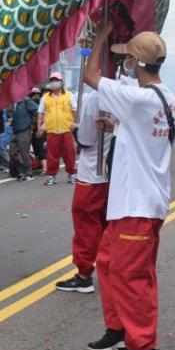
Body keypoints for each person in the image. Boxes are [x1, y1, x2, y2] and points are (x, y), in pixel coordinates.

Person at [83, 25, 175, 350]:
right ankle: (118, 328)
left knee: (132, 275)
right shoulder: (165, 97)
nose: (124, 64)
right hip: (133, 204)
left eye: (127, 59)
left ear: (137, 62)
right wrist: (118, 129)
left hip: (137, 204)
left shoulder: (139, 98)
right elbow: (143, 130)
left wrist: (101, 38)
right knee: (107, 263)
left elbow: (92, 75)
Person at [55, 87, 110, 294]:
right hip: (113, 172)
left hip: (92, 174)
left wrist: (77, 130)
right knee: (108, 225)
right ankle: (110, 268)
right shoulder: (127, 91)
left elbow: (86, 140)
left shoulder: (96, 97)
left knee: (87, 227)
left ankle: (84, 275)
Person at [38, 71, 77, 185]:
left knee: (69, 153)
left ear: (61, 82)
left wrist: (73, 124)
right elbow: (40, 113)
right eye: (52, 81)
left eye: (56, 80)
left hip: (66, 130)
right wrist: (39, 127)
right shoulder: (45, 97)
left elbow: (75, 110)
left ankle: (72, 174)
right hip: (52, 131)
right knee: (52, 155)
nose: (54, 83)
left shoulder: (69, 95)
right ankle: (51, 176)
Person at [9, 88, 39, 181]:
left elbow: (37, 111)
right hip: (15, 130)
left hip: (24, 130)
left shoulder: (26, 100)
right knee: (12, 152)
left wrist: (33, 124)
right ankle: (23, 171)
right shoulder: (12, 103)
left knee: (24, 152)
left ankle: (29, 173)